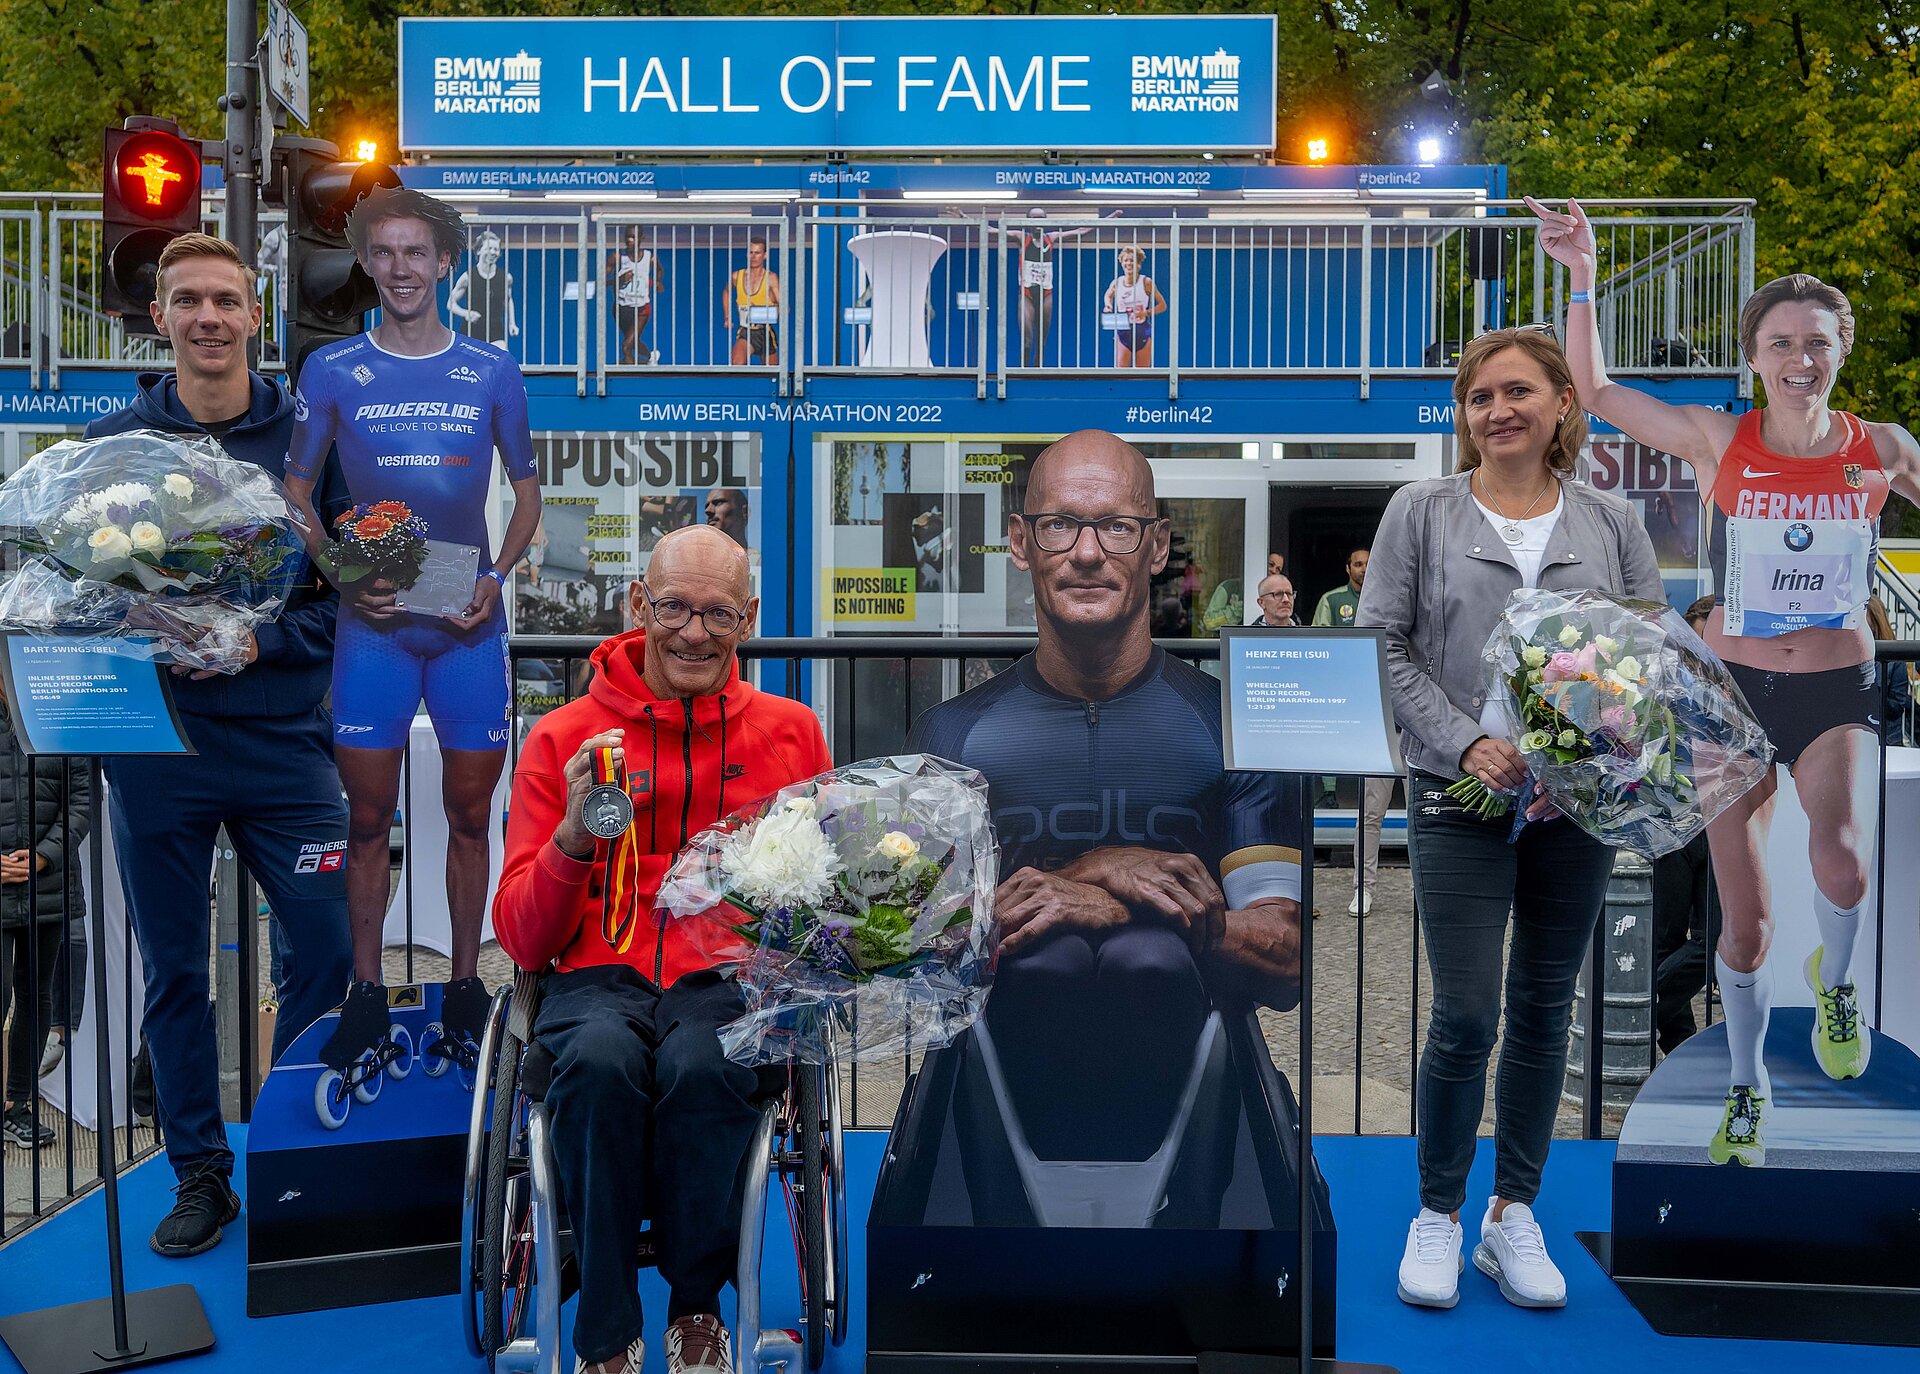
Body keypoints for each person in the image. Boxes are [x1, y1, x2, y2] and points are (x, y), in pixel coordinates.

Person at [1533, 197, 1920, 1167]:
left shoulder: (1882, 448)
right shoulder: (1717, 438)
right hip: (1732, 700)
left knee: (1844, 862)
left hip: (1834, 690)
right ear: (1754, 356)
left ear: (1840, 352)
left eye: (1818, 343)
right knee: (1742, 928)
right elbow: (1596, 388)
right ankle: (1746, 1087)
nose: (1801, 358)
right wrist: (1582, 274)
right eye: (1782, 342)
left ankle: (1837, 982)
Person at [906, 430, 1303, 1208]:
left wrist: (1106, 899)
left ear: (1156, 546)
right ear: (1021, 542)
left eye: (1117, 526)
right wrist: (1102, 871)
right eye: (1060, 524)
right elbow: (911, 965)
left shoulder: (1235, 727)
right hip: (990, 1136)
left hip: (1199, 1144)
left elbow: (1285, 960)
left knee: (1147, 963)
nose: (1087, 553)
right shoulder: (952, 736)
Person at [1359, 327, 1662, 1310]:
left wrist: (1593, 731)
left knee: (1542, 1012)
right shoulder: (1423, 511)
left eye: (1519, 391)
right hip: (1459, 799)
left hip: (1572, 807)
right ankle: (1440, 1212)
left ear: (1562, 404)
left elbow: (1646, 650)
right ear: (1466, 414)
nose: (1498, 410)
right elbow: (1384, 647)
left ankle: (1512, 1215)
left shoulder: (1613, 520)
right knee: (1466, 1014)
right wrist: (1463, 743)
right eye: (1480, 396)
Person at [492, 525, 831, 1374]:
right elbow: (523, 934)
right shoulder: (562, 739)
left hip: (725, 971)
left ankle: (696, 1310)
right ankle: (605, 1330)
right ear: (636, 605)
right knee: (601, 1062)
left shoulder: (792, 735)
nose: (693, 632)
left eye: (718, 613)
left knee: (709, 1063)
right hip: (593, 974)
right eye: (674, 606)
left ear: (748, 618)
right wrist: (572, 834)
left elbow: (825, 901)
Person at [84, 233, 353, 1255]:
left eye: (226, 301)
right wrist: (122, 622)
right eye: (187, 299)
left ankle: (290, 1150)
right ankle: (200, 1173)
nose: (207, 318)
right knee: (174, 971)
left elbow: (374, 597)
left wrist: (263, 636)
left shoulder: (315, 442)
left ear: (255, 315)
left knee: (328, 951)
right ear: (159, 316)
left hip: (290, 746)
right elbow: (64, 598)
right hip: (160, 749)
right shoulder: (111, 449)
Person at [283, 187, 544, 1079]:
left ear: (444, 264)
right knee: (365, 820)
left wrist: (495, 577)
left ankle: (466, 990)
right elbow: (293, 495)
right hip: (377, 625)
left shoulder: (491, 370)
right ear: (367, 262)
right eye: (384, 253)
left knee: (471, 818)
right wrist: (343, 572)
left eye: (416, 253)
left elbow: (529, 493)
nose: (400, 269)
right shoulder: (332, 371)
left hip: (466, 624)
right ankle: (364, 996)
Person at [0, 686, 90, 1151]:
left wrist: (40, 858)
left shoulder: (56, 710)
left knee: (35, 998)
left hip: (47, 886)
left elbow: (81, 800)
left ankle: (17, 1104)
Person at [1652, 597, 1720, 1053]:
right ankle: (1680, 1046)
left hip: (1720, 821)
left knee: (1717, 938)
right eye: (1692, 640)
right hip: (1670, 821)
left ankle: (1644, 999)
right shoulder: (1662, 684)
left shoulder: (1738, 686)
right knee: (1666, 937)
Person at [448, 230, 518, 349]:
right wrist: (466, 313)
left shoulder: (506, 278)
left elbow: (508, 300)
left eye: (496, 249)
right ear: (479, 250)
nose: (493, 252)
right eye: (489, 248)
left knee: (500, 357)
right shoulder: (467, 277)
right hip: (471, 331)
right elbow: (450, 303)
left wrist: (512, 323)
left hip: (495, 330)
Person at [1103, 245, 1166, 369]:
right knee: (1121, 373)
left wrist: (1145, 313)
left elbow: (1163, 305)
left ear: (1138, 263)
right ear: (1121, 263)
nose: (1129, 263)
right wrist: (1108, 305)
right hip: (1123, 331)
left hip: (1142, 330)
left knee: (1142, 375)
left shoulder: (1146, 282)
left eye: (1132, 260)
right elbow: (1108, 295)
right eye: (1126, 260)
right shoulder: (1117, 283)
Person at [723, 236, 780, 367]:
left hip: (765, 330)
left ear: (764, 255)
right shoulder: (737, 276)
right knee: (737, 364)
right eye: (751, 252)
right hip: (746, 329)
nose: (753, 256)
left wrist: (771, 313)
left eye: (757, 253)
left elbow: (783, 305)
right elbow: (726, 291)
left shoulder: (771, 278)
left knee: (773, 372)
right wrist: (727, 316)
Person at [608, 229, 663, 365]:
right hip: (621, 308)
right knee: (632, 342)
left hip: (641, 308)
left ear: (641, 238)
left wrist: (657, 281)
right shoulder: (618, 258)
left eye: (633, 237)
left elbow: (659, 270)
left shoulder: (649, 258)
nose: (630, 240)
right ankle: (650, 357)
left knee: (626, 346)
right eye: (627, 237)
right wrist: (619, 279)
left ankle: (628, 374)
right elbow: (601, 281)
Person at [1867, 596, 1913, 747]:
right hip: (1855, 741)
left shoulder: (1894, 662)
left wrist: (1873, 689)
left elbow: (1897, 708)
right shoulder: (1846, 655)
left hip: (1887, 742)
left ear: (1875, 620)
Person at [1312, 548, 1369, 628]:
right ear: (1348, 569)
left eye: (1368, 564)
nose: (1365, 569)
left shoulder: (1382, 598)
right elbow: (1318, 636)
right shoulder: (1330, 599)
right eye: (1358, 565)